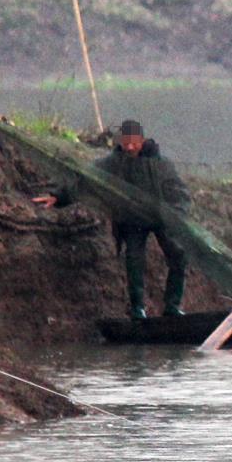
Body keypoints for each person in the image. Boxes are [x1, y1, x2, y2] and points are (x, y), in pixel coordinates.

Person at [33, 119, 192, 320]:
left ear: (142, 141)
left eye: (134, 143)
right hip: (132, 219)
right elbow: (86, 178)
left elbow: (179, 192)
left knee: (178, 255)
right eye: (126, 143)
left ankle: (172, 306)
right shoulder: (114, 162)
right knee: (133, 260)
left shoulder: (161, 164)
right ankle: (137, 308)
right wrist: (58, 196)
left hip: (161, 218)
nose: (130, 147)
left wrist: (176, 215)